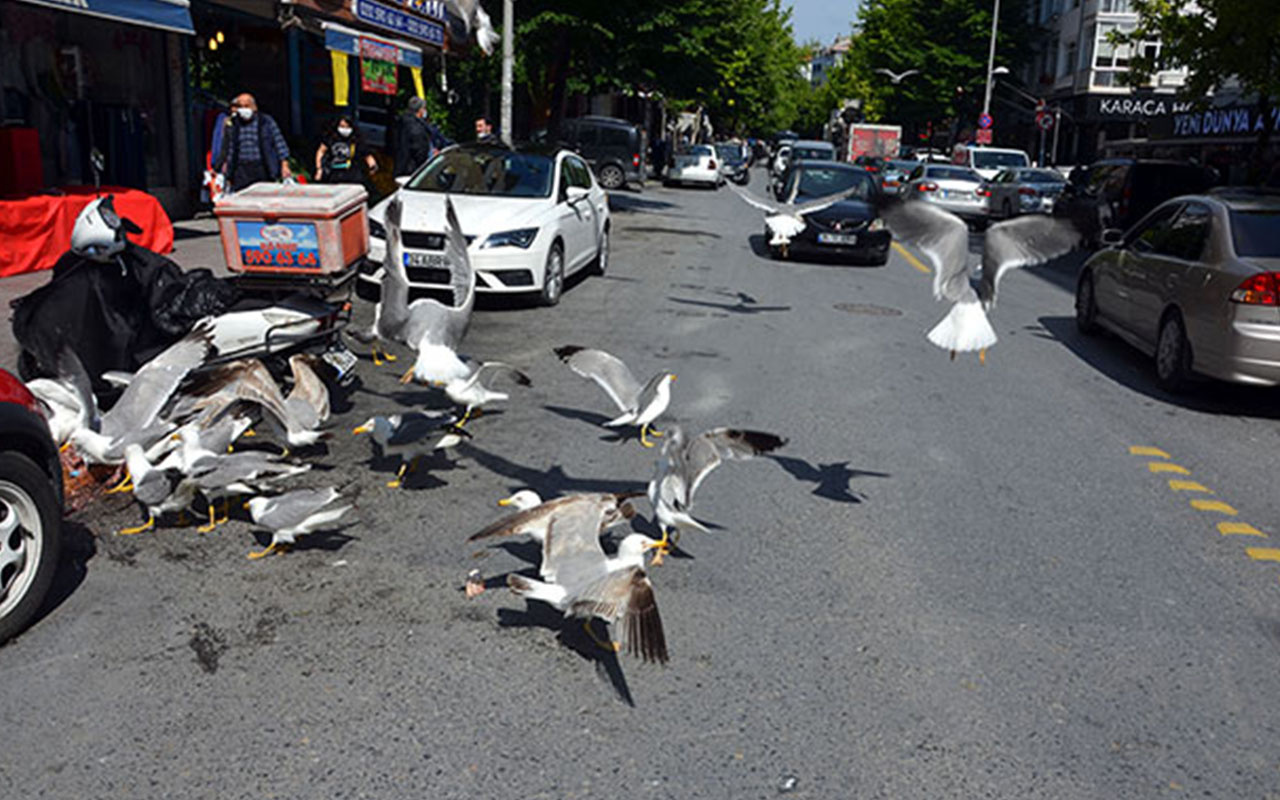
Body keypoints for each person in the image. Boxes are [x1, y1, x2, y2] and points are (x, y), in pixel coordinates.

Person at [216, 93, 292, 193]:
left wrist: (284, 165)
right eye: (240, 106)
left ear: (254, 107)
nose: (243, 109)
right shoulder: (233, 124)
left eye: (246, 106)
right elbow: (227, 147)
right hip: (240, 169)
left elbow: (279, 143)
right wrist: (222, 167)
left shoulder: (266, 122)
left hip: (262, 167)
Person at [393, 96, 451, 176]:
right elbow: (420, 153)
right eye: (424, 108)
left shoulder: (401, 122)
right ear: (420, 110)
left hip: (400, 167)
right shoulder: (417, 129)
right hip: (413, 171)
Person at [314, 116, 378, 185]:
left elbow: (366, 154)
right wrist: (319, 169)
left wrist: (372, 166)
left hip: (352, 175)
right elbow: (321, 151)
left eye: (347, 127)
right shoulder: (331, 138)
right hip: (334, 174)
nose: (344, 129)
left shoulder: (356, 140)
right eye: (342, 126)